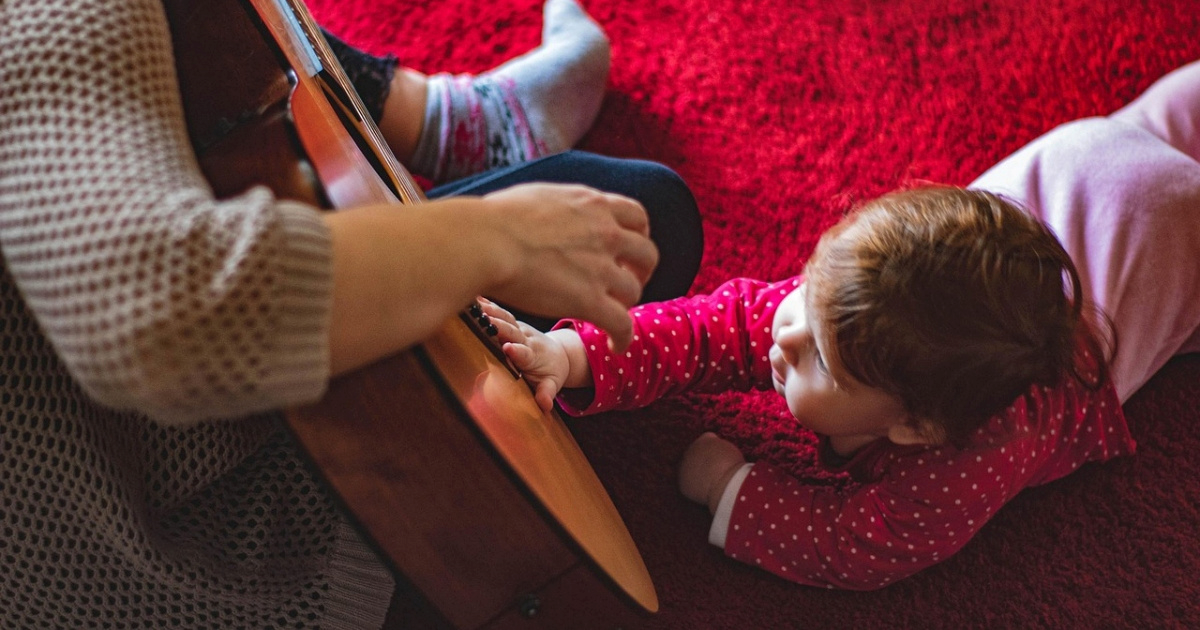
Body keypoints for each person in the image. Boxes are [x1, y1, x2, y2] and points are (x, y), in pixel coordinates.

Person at [0, 0, 702, 628]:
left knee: (626, 221)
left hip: (163, 433)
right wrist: (494, 240)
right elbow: (160, 318)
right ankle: (469, 124)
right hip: (185, 540)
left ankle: (454, 120)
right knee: (629, 229)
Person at [483, 57, 1200, 590]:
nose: (783, 331)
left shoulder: (970, 459)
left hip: (1162, 225)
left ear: (917, 428)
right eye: (808, 293)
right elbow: (708, 330)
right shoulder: (838, 316)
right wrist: (570, 353)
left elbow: (861, 545)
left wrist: (729, 489)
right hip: (1079, 173)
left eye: (820, 357)